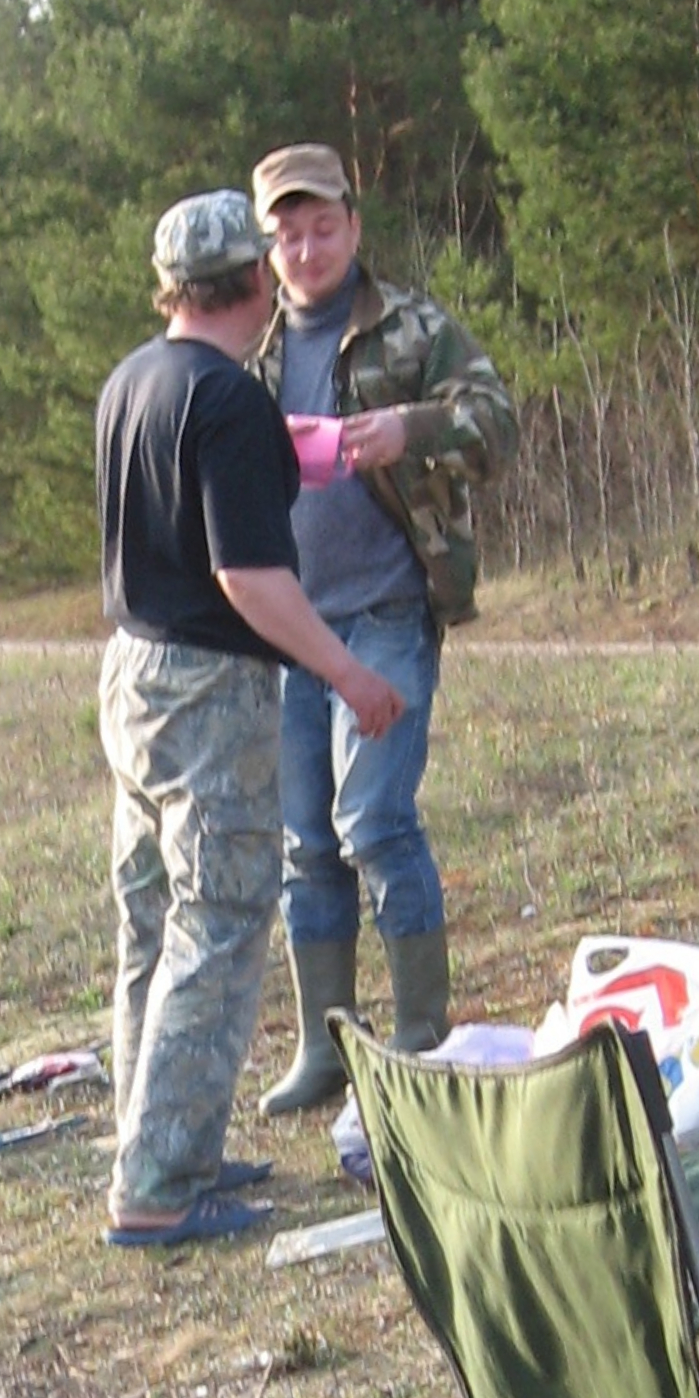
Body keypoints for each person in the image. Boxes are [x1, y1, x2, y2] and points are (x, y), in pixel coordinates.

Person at [95, 190, 404, 1248]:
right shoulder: (225, 397)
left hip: (130, 673)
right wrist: (346, 672)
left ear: (171, 286)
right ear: (259, 280)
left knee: (151, 919)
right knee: (218, 919)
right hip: (207, 687)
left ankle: (156, 1141)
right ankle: (157, 1185)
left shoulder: (133, 380)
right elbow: (248, 575)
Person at [247, 142, 520, 1116]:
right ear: (268, 248)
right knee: (304, 844)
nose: (307, 247)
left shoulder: (412, 326)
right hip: (289, 629)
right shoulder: (252, 354)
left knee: (372, 820)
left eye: (323, 226)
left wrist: (413, 427)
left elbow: (497, 421)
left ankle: (418, 1035)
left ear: (353, 227)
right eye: (288, 233)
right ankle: (326, 1047)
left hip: (388, 611)